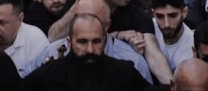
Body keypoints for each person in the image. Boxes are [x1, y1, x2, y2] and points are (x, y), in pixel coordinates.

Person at [21, 13, 151, 91]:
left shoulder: (124, 73)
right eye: (82, 42)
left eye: (96, 42)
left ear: (105, 41)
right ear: (69, 41)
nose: (90, 49)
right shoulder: (48, 75)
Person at [150, 0, 195, 71]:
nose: (166, 24)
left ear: (184, 12)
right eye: (159, 16)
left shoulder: (192, 46)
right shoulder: (148, 28)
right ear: (153, 13)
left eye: (172, 16)